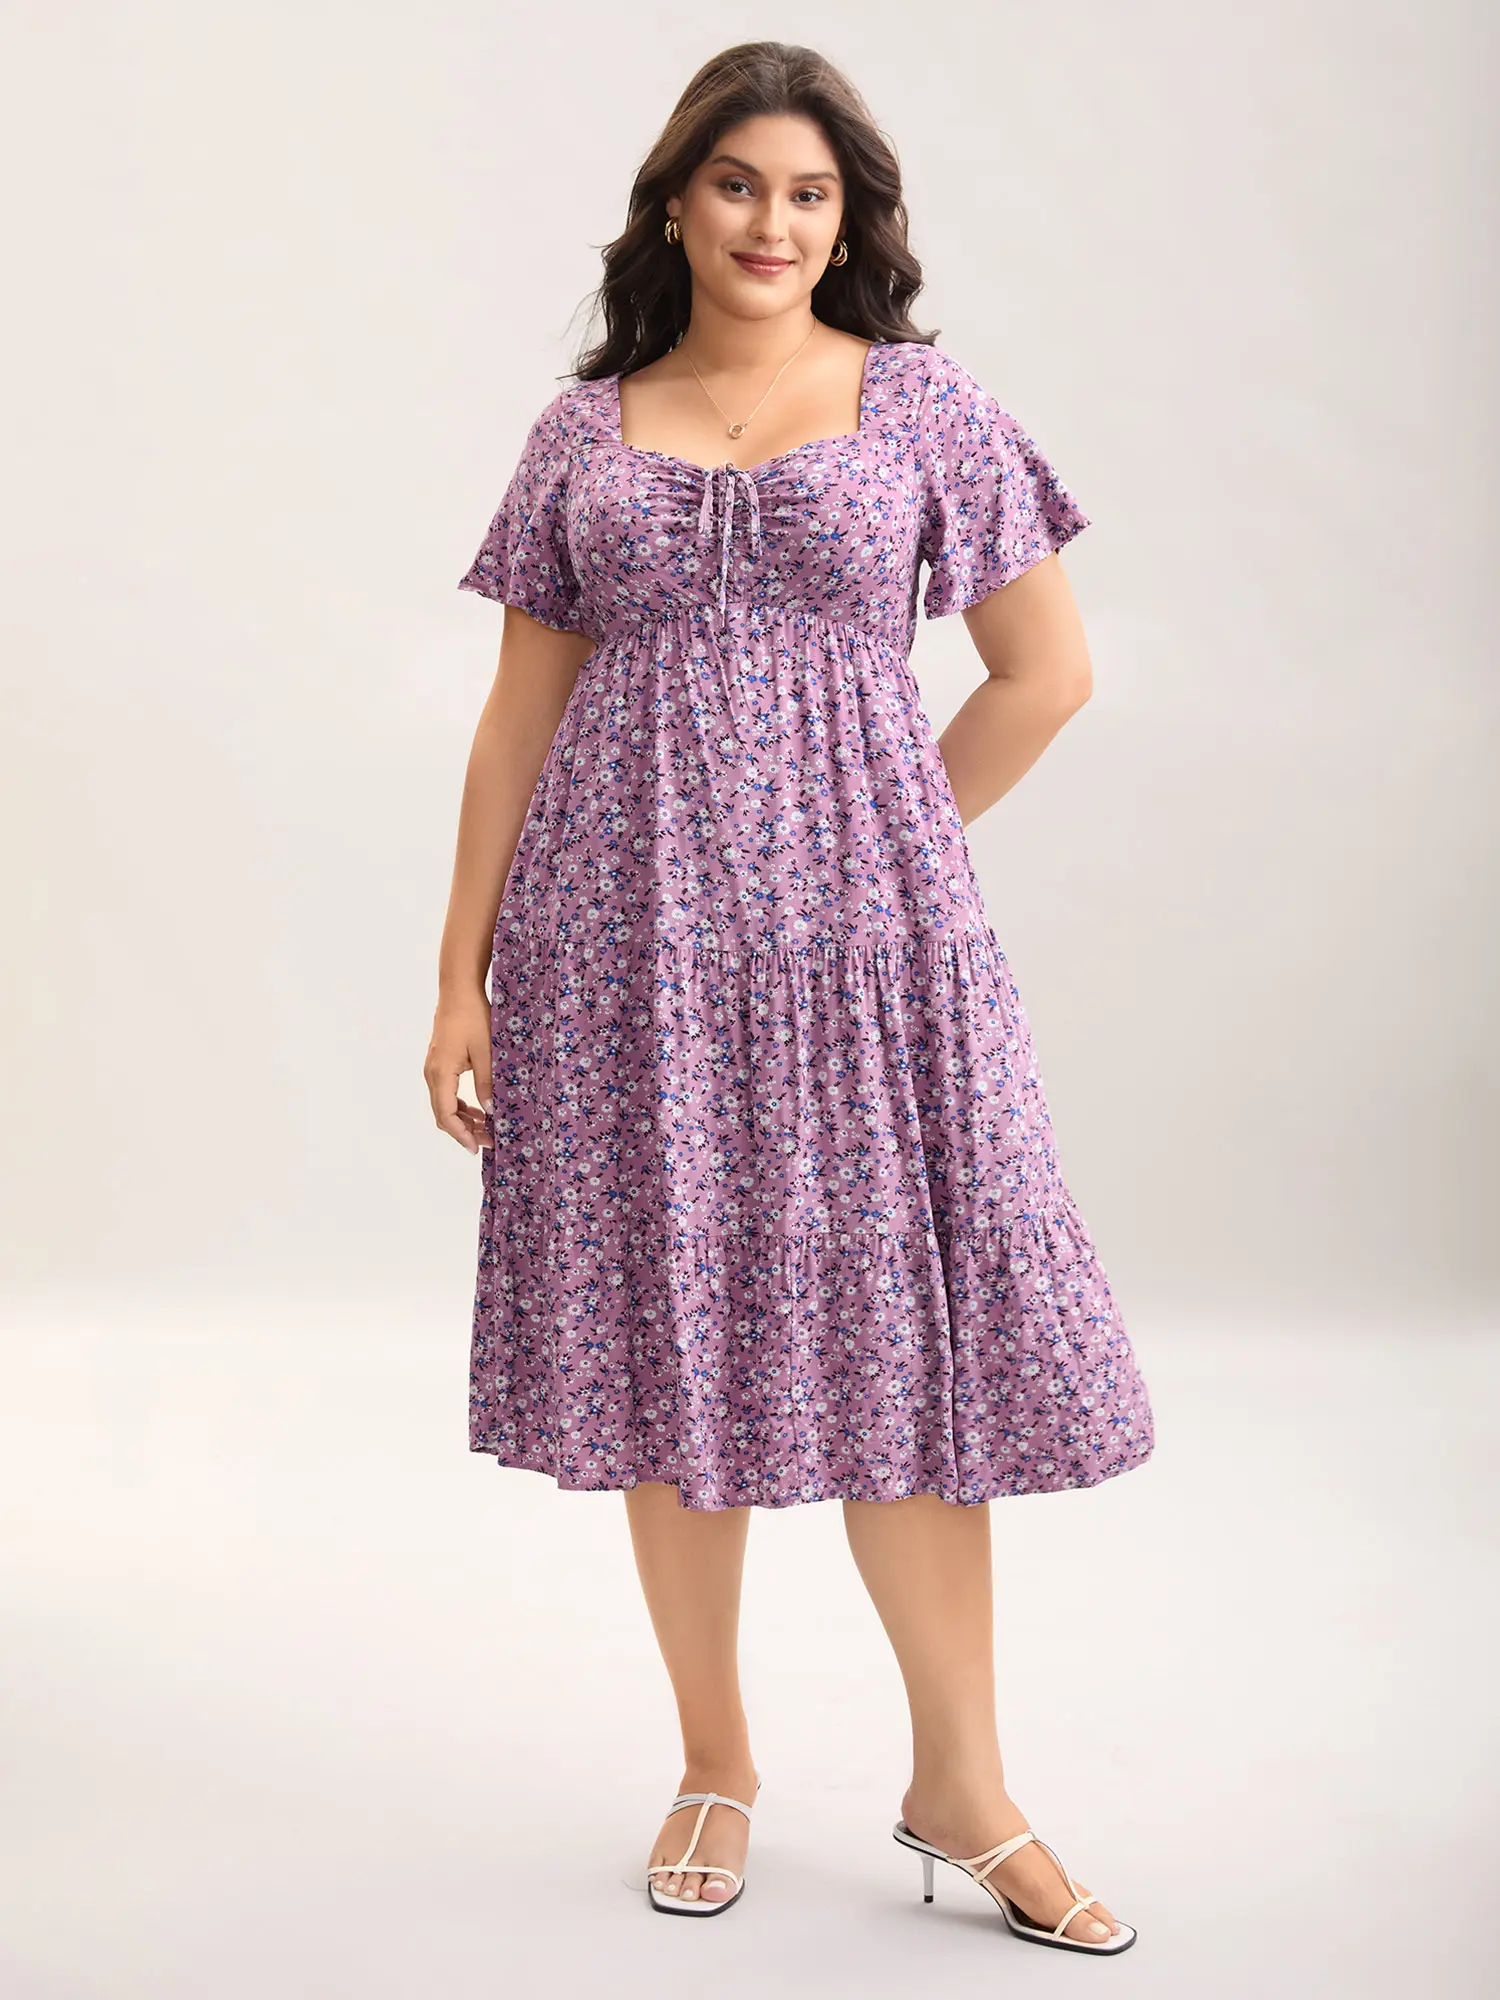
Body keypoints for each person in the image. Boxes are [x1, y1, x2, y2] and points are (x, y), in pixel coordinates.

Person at [427, 40, 1153, 1955]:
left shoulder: (922, 404)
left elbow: (1045, 673)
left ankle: (962, 1785)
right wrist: (458, 975)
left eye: (810, 192)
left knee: (900, 1348)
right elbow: (516, 719)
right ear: (677, 202)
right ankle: (714, 1759)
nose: (773, 221)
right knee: (671, 1338)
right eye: (739, 183)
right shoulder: (584, 435)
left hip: (867, 966)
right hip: (619, 952)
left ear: (852, 221)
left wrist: (887, 844)